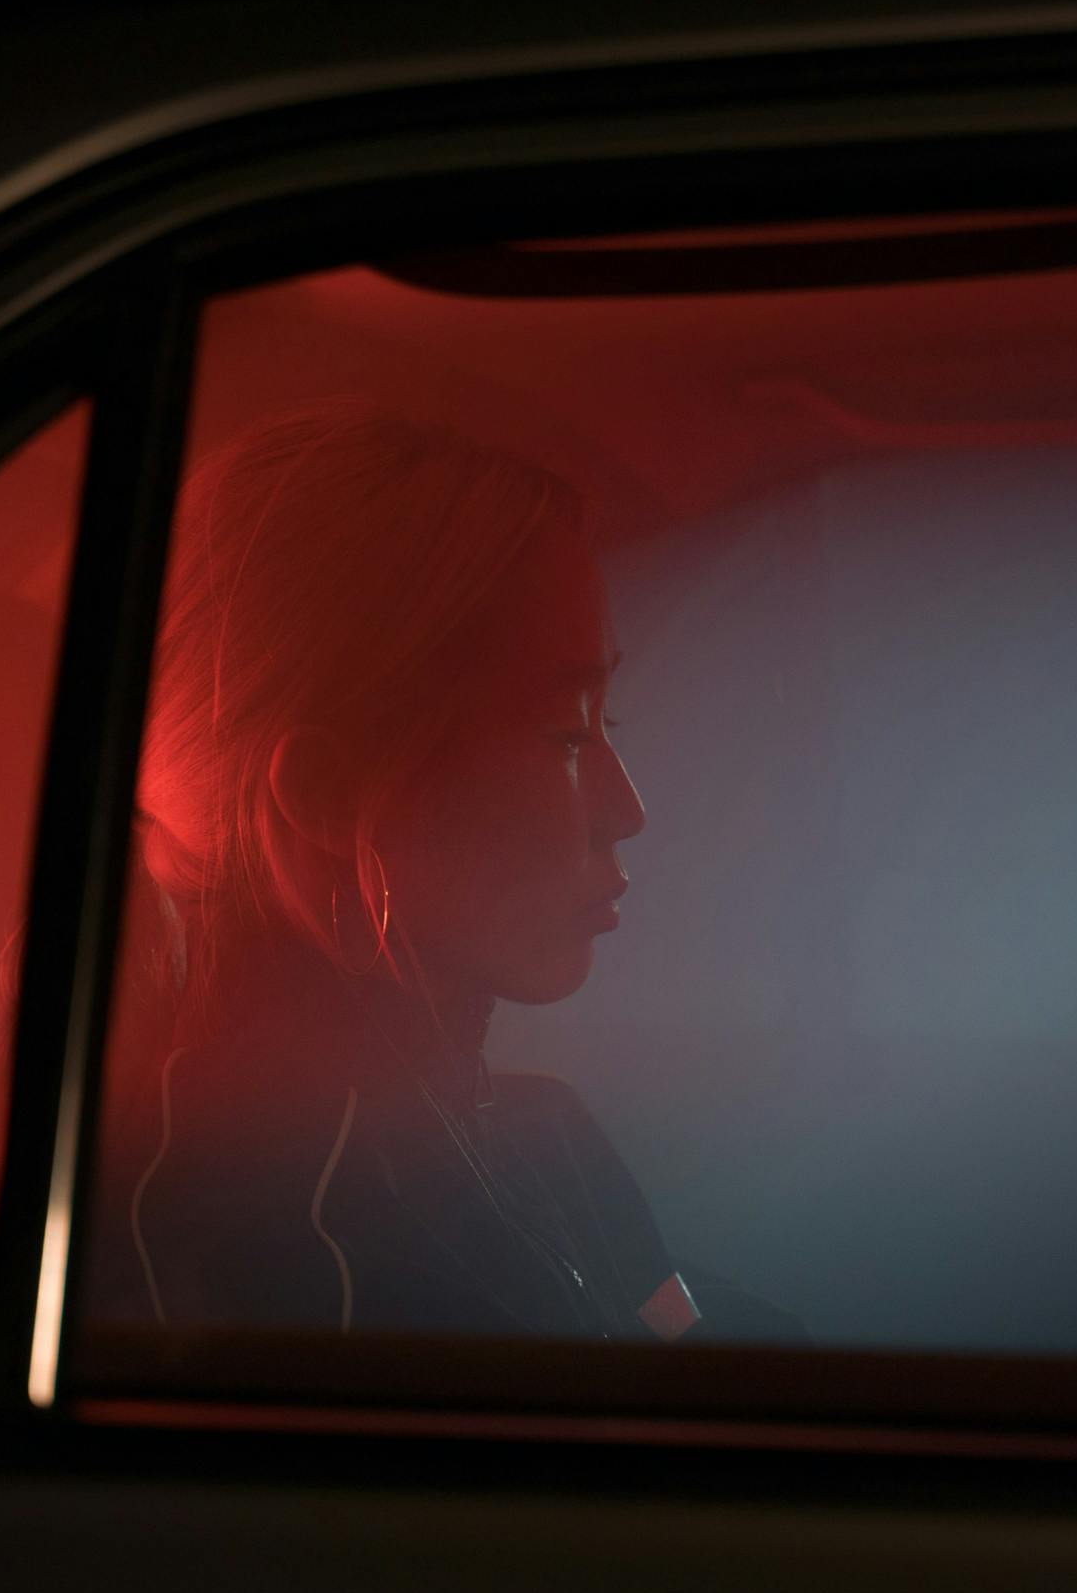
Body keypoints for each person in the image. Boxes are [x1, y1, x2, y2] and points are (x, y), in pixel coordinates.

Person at [75, 398, 792, 1345]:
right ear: (329, 798)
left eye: (604, 724)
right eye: (566, 733)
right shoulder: (274, 1234)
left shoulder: (541, 1134)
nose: (628, 811)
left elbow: (693, 1346)